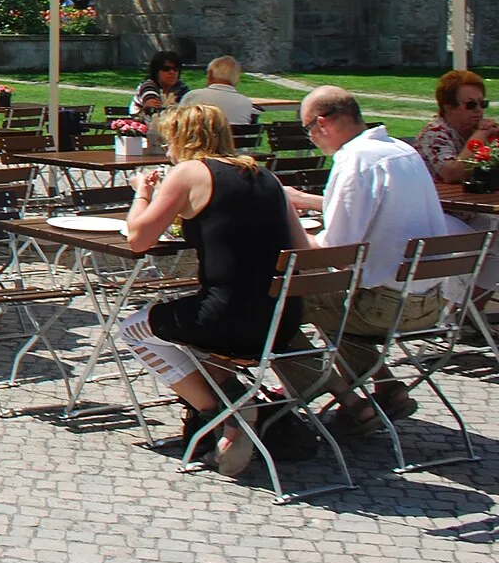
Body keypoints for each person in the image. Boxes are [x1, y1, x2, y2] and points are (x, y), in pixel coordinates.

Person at [118, 103, 312, 477]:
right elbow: (302, 250)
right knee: (194, 334)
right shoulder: (266, 176)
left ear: (181, 139)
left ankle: (223, 412)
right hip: (281, 320)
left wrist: (142, 192)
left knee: (133, 331)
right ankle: (236, 406)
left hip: (225, 318)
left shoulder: (189, 172)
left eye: (169, 140)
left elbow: (138, 239)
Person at [283, 86, 451, 435]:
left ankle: (345, 400)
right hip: (431, 302)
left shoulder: (353, 161)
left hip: (382, 307)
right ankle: (388, 386)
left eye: (307, 130)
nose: (311, 139)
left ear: (323, 123)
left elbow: (337, 249)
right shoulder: (400, 150)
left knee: (279, 304)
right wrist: (303, 199)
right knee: (331, 297)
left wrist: (286, 228)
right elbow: (377, 207)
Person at [413, 69, 499, 183]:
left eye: (482, 103)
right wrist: (479, 137)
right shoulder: (434, 134)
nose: (479, 110)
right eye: (471, 105)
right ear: (449, 107)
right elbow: (453, 175)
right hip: (439, 199)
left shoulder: (476, 129)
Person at [178, 56, 257, 127]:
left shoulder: (193, 96)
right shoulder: (246, 103)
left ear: (210, 74)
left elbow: (177, 124)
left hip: (200, 142)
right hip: (236, 143)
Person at [133, 50, 191, 116]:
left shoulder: (181, 87)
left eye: (176, 69)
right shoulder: (148, 86)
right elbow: (151, 105)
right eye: (166, 69)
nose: (172, 72)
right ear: (156, 72)